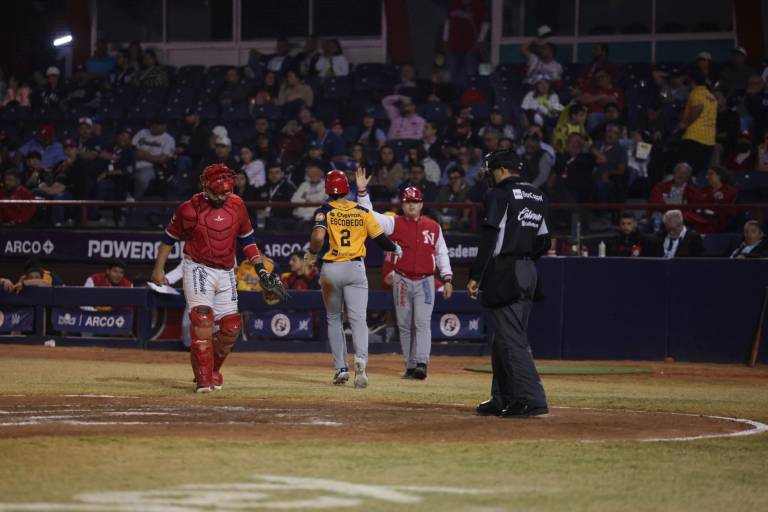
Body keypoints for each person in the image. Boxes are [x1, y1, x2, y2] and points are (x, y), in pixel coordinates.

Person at [150, 164, 286, 393]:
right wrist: (158, 269)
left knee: (231, 327)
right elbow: (169, 238)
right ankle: (203, 379)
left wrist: (262, 271)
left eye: (226, 192)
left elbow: (249, 241)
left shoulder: (238, 205)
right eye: (218, 192)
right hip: (198, 267)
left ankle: (213, 369)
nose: (223, 197)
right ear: (205, 187)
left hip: (226, 271)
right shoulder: (188, 209)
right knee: (202, 319)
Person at [468, 149, 550, 418]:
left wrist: (475, 275)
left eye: (491, 170)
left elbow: (490, 237)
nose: (490, 176)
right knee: (503, 339)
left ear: (502, 170)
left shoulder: (499, 195)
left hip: (505, 270)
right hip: (528, 270)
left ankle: (531, 399)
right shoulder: (538, 195)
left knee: (512, 339)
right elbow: (543, 241)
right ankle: (503, 398)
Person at [304, 170, 401, 388]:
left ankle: (341, 369)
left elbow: (318, 238)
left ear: (328, 189)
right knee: (358, 319)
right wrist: (396, 248)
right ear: (347, 189)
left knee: (334, 319)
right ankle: (361, 362)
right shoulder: (362, 211)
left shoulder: (324, 211)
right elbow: (380, 239)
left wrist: (311, 254)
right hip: (356, 268)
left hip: (331, 269)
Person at [356, 170, 453, 379]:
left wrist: (447, 278)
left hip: (426, 280)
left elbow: (442, 252)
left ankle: (421, 364)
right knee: (404, 325)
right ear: (402, 203)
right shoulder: (394, 223)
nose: (411, 205)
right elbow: (368, 215)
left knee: (422, 323)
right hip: (401, 279)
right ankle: (410, 366)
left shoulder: (433, 227)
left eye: (415, 201)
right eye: (408, 201)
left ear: (421, 204)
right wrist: (362, 191)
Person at [677, 70, 717, 175]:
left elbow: (697, 109)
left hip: (693, 139)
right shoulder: (711, 96)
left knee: (685, 172)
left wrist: (685, 124)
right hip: (709, 141)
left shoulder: (695, 93)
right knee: (699, 174)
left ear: (691, 80)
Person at [442, 0, 488, 88]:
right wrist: (445, 40)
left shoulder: (479, 5)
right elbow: (448, 22)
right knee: (453, 73)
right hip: (453, 45)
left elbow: (485, 24)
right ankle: (456, 96)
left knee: (470, 74)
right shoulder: (454, 4)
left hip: (470, 47)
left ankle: (470, 95)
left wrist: (479, 42)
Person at [684, 166, 737, 235]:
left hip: (718, 219)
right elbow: (696, 202)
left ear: (719, 176)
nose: (707, 177)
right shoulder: (704, 190)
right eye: (707, 174)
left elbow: (726, 208)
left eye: (710, 174)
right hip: (701, 216)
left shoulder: (730, 190)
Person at [255, 165, 296, 231]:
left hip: (279, 217)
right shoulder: (264, 187)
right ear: (268, 175)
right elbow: (257, 203)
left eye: (277, 172)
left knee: (273, 222)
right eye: (271, 173)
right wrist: (258, 211)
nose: (274, 175)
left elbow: (289, 209)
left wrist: (271, 213)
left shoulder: (289, 188)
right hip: (262, 217)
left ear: (282, 174)